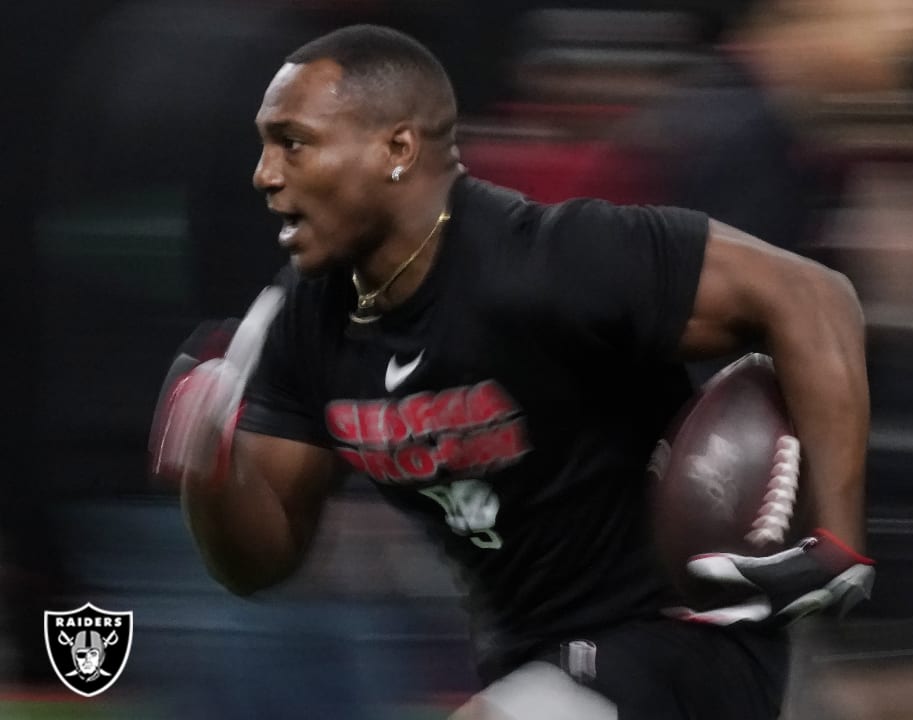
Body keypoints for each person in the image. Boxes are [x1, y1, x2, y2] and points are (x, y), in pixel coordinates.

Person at [153, 24, 873, 719]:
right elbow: (260, 564)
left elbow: (813, 295)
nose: (266, 175)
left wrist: (834, 540)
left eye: (294, 144)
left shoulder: (551, 261)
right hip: (532, 658)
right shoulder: (306, 325)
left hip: (679, 641)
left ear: (397, 148)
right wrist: (212, 470)